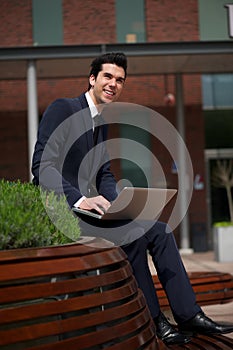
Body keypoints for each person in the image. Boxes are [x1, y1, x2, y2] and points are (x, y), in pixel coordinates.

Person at [32, 52, 233, 346]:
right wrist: (78, 200)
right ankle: (154, 320)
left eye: (120, 80)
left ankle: (189, 315)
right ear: (92, 79)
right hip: (63, 212)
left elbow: (104, 174)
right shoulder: (63, 109)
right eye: (108, 77)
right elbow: (41, 166)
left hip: (93, 213)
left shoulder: (100, 124)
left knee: (160, 231)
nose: (114, 84)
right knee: (134, 238)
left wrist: (119, 204)